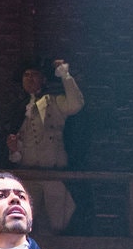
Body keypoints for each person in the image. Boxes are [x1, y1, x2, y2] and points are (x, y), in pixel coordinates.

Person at [5, 63, 84, 235]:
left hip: (54, 174)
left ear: (43, 79)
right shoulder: (18, 108)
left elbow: (75, 104)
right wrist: (14, 150)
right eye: (26, 75)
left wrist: (65, 75)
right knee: (26, 223)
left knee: (59, 223)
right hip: (28, 175)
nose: (29, 78)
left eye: (34, 74)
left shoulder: (55, 102)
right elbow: (18, 146)